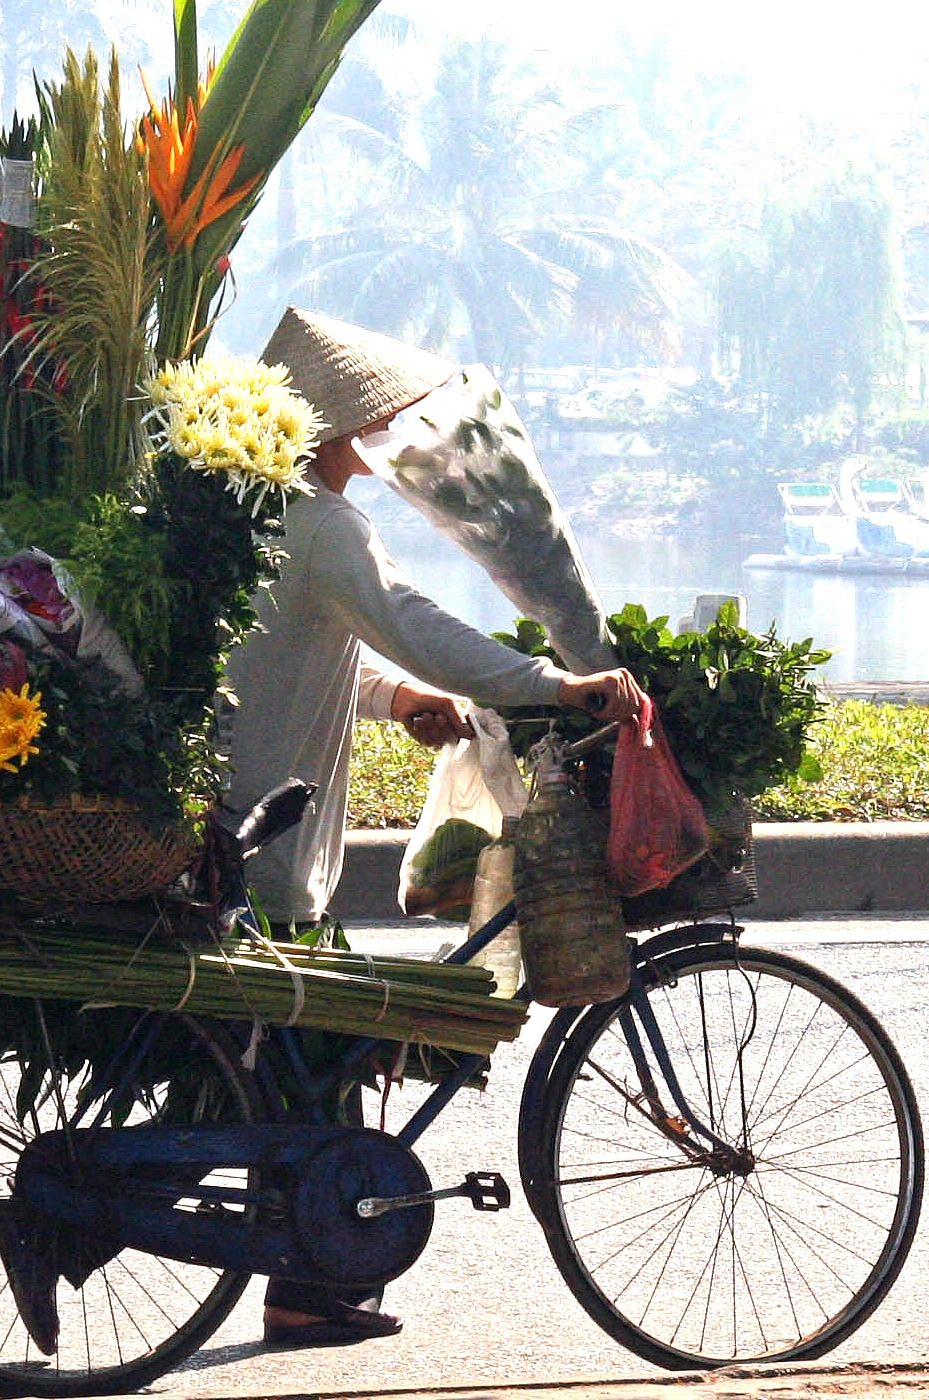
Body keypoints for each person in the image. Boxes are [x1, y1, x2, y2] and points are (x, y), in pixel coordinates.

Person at [224, 307, 646, 1347]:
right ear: (328, 427)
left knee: (301, 1054)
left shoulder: (261, 512)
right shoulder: (319, 524)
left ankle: (309, 1280)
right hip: (264, 838)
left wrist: (397, 696)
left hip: (242, 817)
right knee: (309, 1041)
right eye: (362, 431)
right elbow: (411, 618)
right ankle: (308, 1279)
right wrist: (556, 682)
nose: (371, 455)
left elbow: (324, 644)